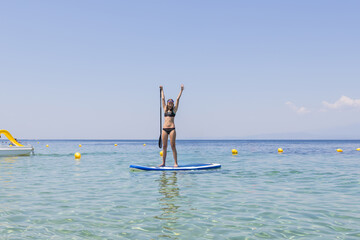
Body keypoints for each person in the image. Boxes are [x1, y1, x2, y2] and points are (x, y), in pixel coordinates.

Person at [159, 84, 184, 167]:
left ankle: (176, 163)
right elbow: (163, 98)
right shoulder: (165, 109)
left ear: (172, 104)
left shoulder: (174, 110)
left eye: (171, 103)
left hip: (172, 129)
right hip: (164, 129)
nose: (170, 104)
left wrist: (181, 90)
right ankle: (163, 163)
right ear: (167, 104)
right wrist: (162, 89)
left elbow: (177, 99)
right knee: (164, 146)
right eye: (169, 103)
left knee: (173, 146)